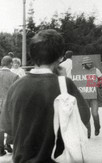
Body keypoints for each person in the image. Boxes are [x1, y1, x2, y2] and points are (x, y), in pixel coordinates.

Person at [0, 29, 90, 162]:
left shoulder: (16, 86)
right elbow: (83, 117)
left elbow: (7, 126)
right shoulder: (65, 85)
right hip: (57, 158)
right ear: (60, 57)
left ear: (32, 54)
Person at [81, 56, 102, 138]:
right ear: (84, 64)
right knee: (86, 115)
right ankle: (88, 132)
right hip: (84, 96)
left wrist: (97, 83)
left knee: (94, 113)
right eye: (88, 63)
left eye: (91, 63)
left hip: (94, 95)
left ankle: (97, 127)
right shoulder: (79, 72)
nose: (90, 64)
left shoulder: (96, 70)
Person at [0, 56, 19, 156]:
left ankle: (0, 149)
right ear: (10, 64)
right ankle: (8, 144)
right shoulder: (15, 76)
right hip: (9, 103)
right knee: (10, 123)